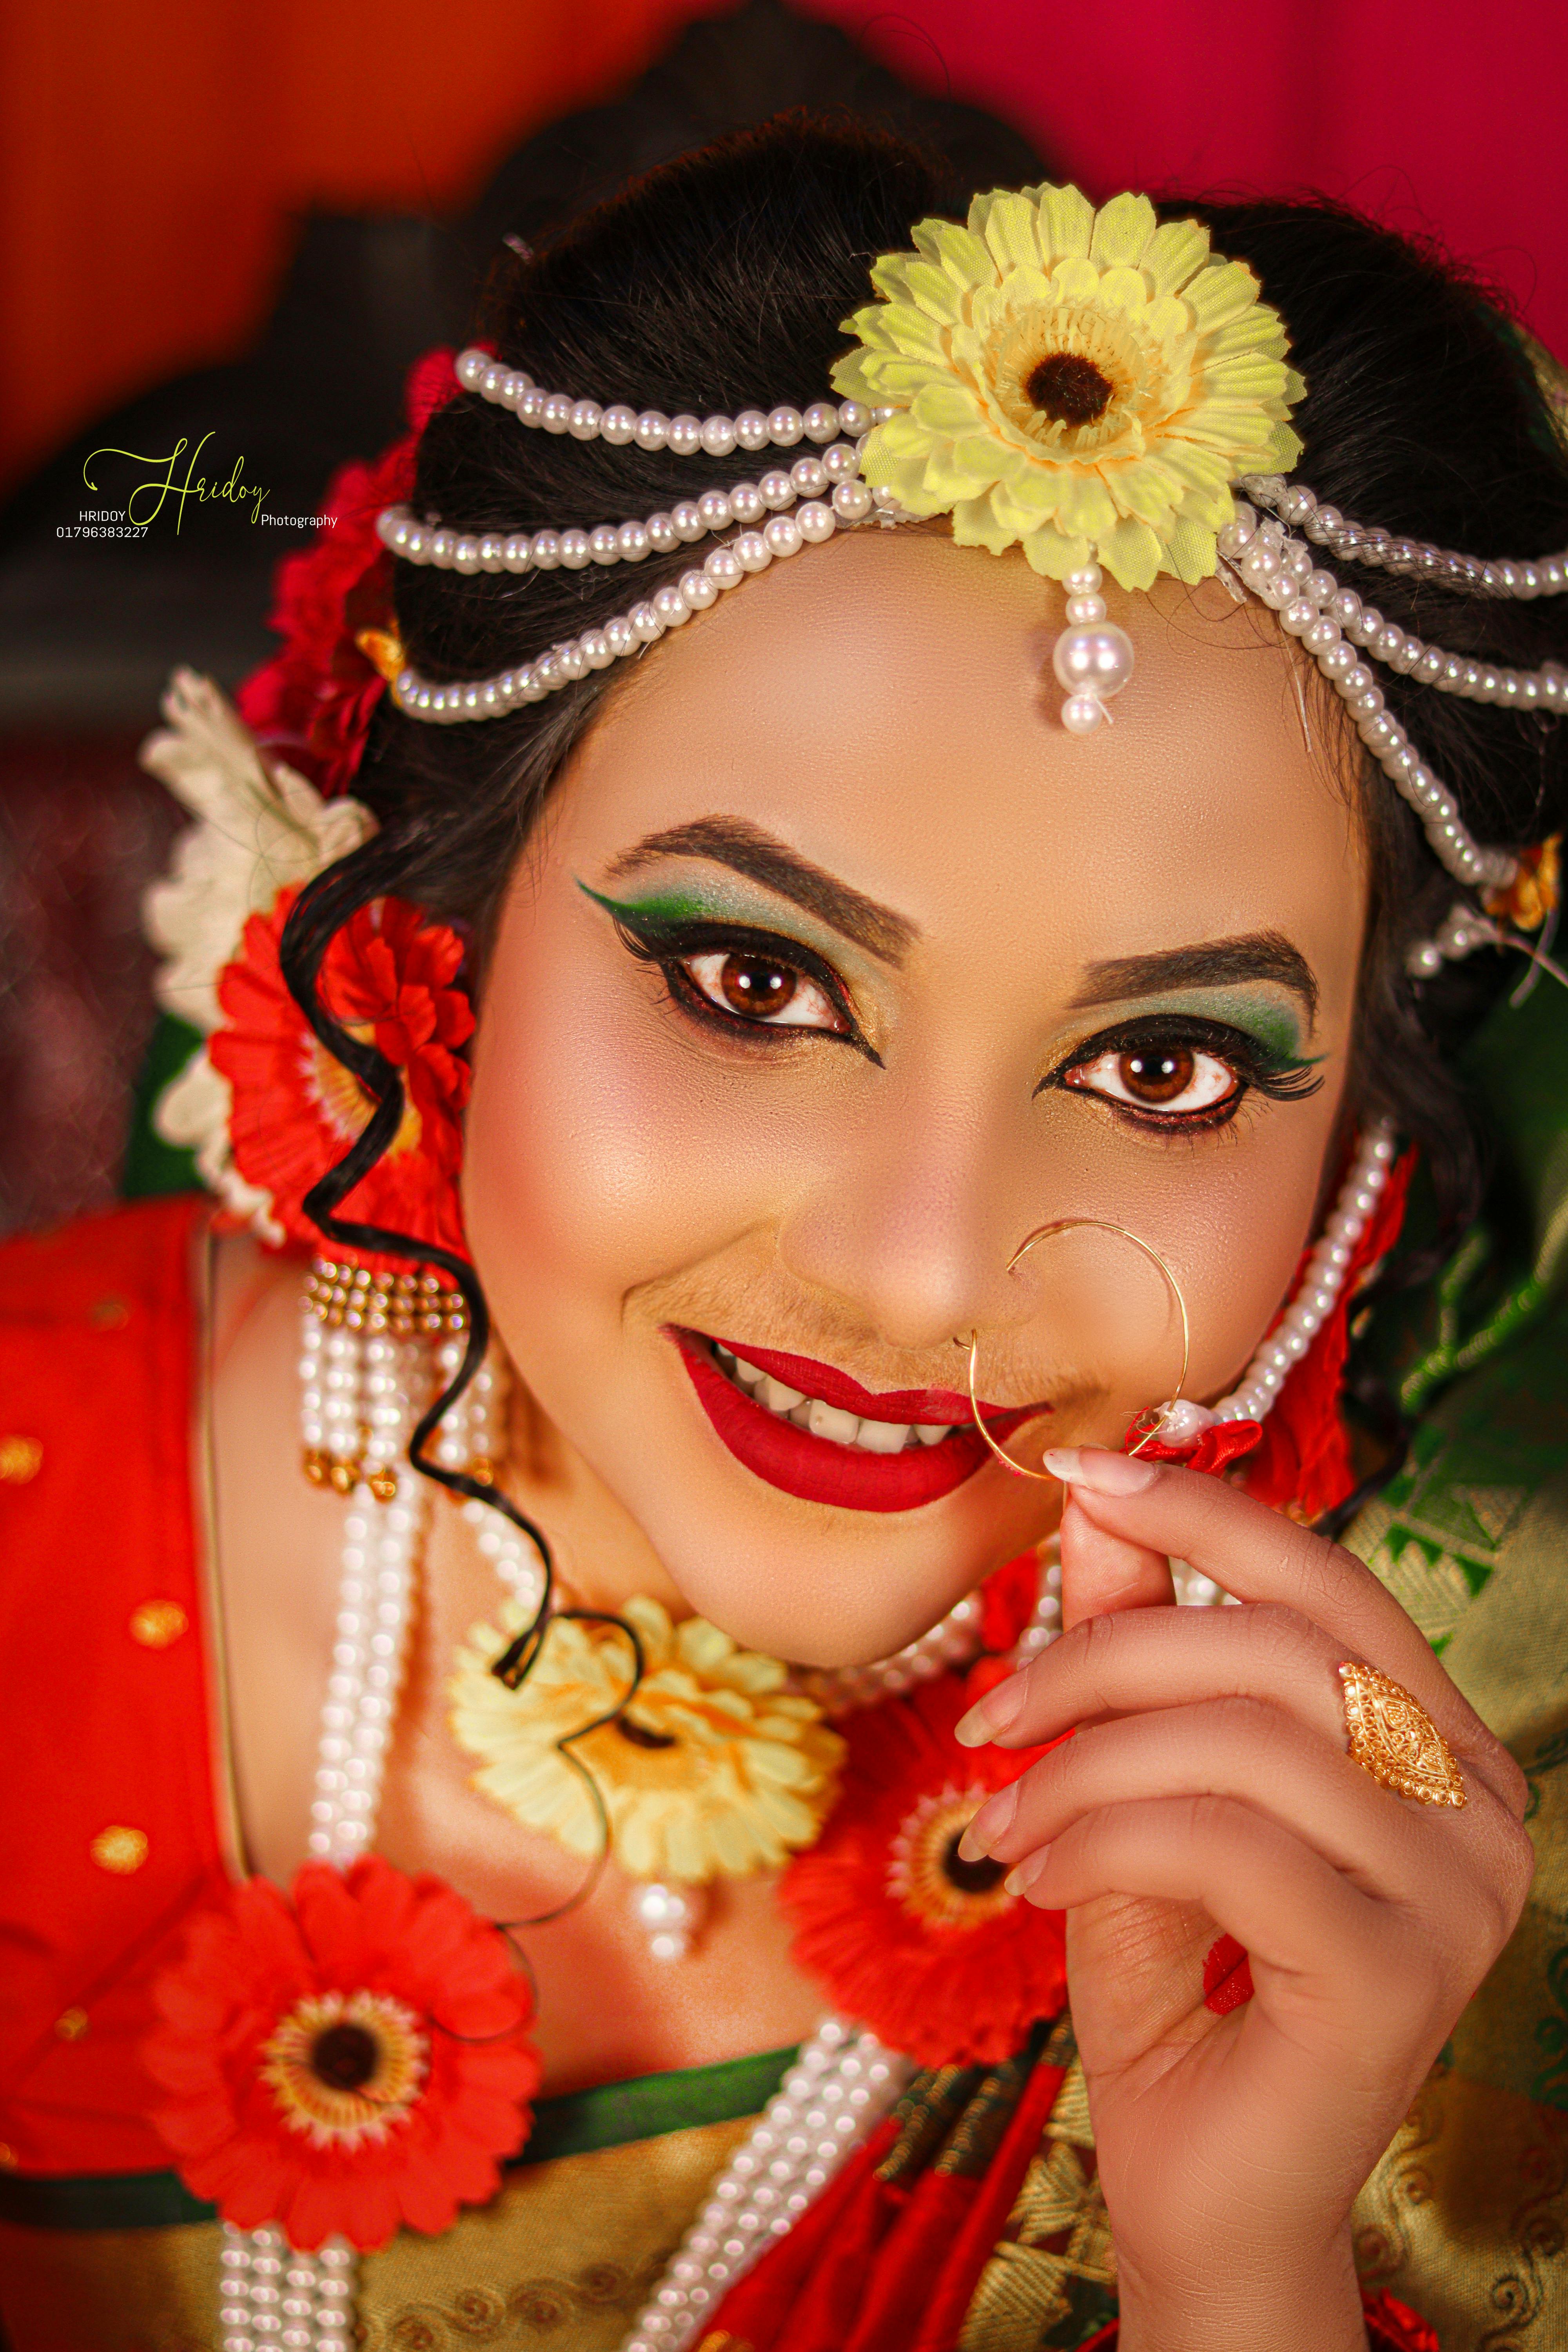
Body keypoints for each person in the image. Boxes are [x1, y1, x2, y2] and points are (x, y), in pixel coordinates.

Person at [2, 113, 1565, 2352]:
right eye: (754, 984)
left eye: (1164, 1070)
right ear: (432, 920)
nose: (931, 1271)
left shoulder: (1438, 1781)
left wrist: (1244, 2273)